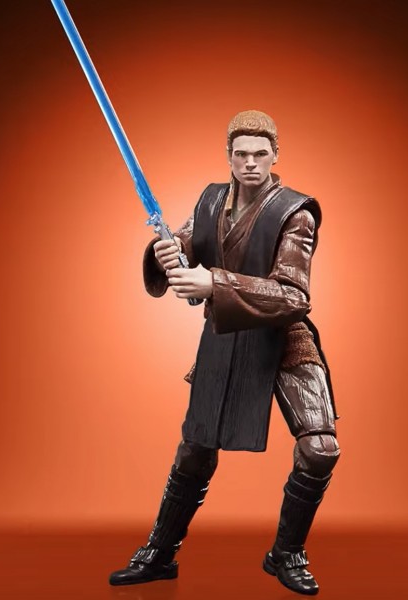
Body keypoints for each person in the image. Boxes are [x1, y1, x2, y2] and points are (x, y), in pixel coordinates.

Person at [109, 110, 339, 596]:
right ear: (229, 156)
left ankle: (286, 553)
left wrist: (214, 282)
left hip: (284, 337)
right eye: (241, 154)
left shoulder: (296, 212)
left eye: (260, 154)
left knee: (320, 449)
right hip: (227, 335)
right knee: (195, 449)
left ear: (275, 155)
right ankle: (160, 553)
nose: (250, 162)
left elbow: (293, 295)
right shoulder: (211, 200)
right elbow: (186, 245)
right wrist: (166, 253)